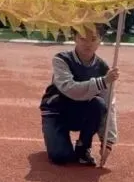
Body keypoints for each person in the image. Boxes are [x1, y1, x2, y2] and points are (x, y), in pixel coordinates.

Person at [39, 27, 119, 166]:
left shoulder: (103, 68)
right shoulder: (61, 59)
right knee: (61, 157)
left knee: (99, 104)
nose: (88, 44)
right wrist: (103, 81)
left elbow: (109, 104)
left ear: (100, 40)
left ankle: (83, 147)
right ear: (74, 38)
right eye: (82, 38)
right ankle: (57, 138)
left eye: (93, 39)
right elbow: (70, 89)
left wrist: (108, 141)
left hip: (81, 111)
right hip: (57, 111)